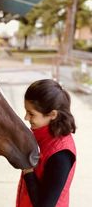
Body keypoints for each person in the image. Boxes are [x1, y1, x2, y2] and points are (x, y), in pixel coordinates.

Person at [16, 79, 76, 207]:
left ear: (52, 114)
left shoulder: (61, 155)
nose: (26, 118)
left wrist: (27, 169)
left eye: (31, 114)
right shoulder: (42, 136)